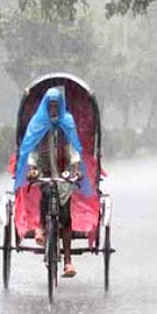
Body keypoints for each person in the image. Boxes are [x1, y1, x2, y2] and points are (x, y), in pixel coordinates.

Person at [14, 87, 91, 278]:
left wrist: (75, 169)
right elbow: (32, 149)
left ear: (61, 106)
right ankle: (41, 226)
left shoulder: (67, 122)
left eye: (56, 106)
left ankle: (68, 261)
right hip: (44, 170)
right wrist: (32, 167)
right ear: (46, 106)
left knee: (65, 216)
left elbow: (73, 149)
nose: (54, 109)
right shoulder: (38, 122)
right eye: (51, 106)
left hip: (63, 173)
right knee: (46, 193)